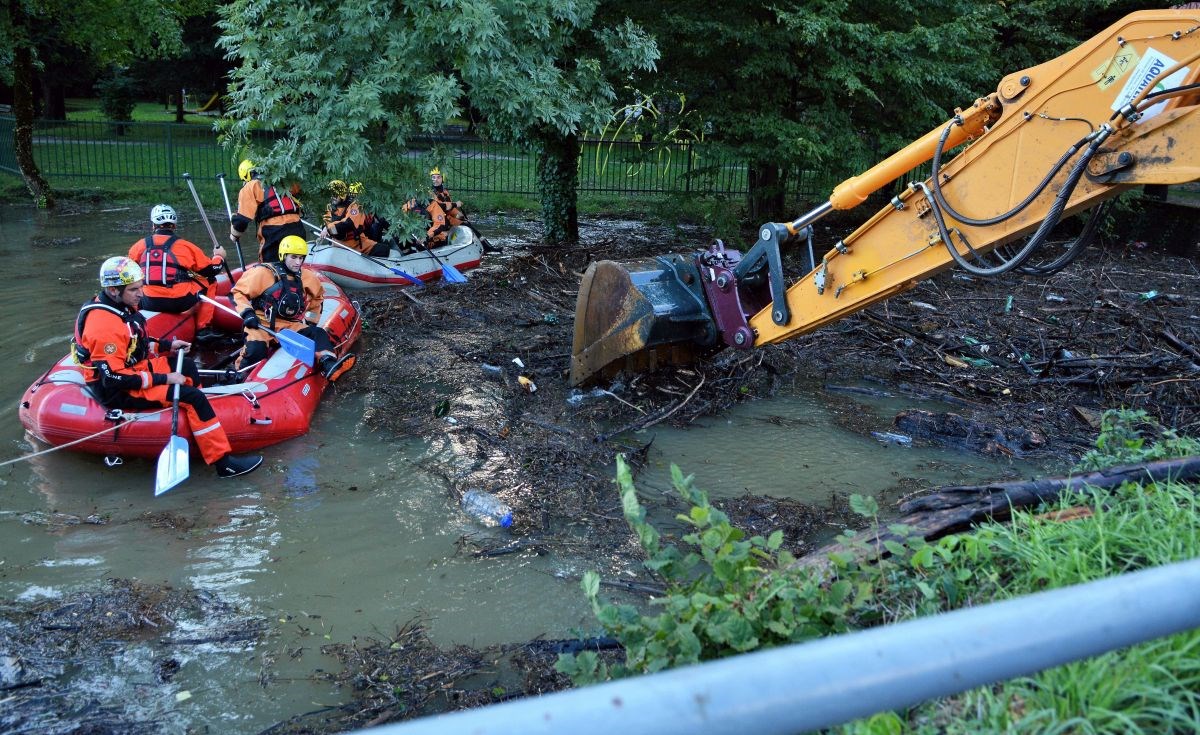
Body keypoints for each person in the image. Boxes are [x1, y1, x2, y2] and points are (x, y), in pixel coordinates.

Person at [72, 257, 262, 478]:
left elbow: (134, 341)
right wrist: (166, 379)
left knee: (188, 367)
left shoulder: (120, 306)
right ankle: (223, 464)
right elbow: (112, 378)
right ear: (114, 290)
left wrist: (166, 345)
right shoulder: (103, 326)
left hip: (133, 370)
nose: (141, 294)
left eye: (140, 287)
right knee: (193, 396)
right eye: (134, 289)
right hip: (117, 389)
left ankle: (201, 424)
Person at [230, 235, 356, 382]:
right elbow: (237, 293)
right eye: (294, 257)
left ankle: (328, 363)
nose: (298, 262)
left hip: (289, 325)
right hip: (261, 324)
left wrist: (309, 322)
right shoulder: (262, 273)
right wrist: (247, 313)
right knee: (255, 350)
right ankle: (238, 376)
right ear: (283, 255)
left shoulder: (307, 277)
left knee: (318, 333)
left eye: (301, 258)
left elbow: (318, 299)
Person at [127, 204, 227, 341]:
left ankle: (130, 319)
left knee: (134, 285)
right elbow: (211, 270)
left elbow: (128, 272)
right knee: (210, 281)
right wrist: (219, 256)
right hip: (179, 302)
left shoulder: (139, 246)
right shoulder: (185, 246)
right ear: (174, 225)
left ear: (153, 225)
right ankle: (204, 329)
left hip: (148, 301)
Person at [230, 159, 306, 264]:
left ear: (247, 175)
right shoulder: (282, 180)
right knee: (295, 267)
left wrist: (234, 235)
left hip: (274, 231)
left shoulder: (250, 186)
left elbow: (242, 220)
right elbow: (298, 191)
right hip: (297, 227)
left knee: (269, 268)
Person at [318, 180, 391, 257]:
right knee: (383, 246)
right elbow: (327, 224)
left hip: (355, 240)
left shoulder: (355, 205)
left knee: (377, 229)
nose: (332, 197)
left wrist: (328, 229)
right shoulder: (330, 207)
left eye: (335, 195)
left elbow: (348, 224)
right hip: (349, 243)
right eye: (331, 195)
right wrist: (326, 228)